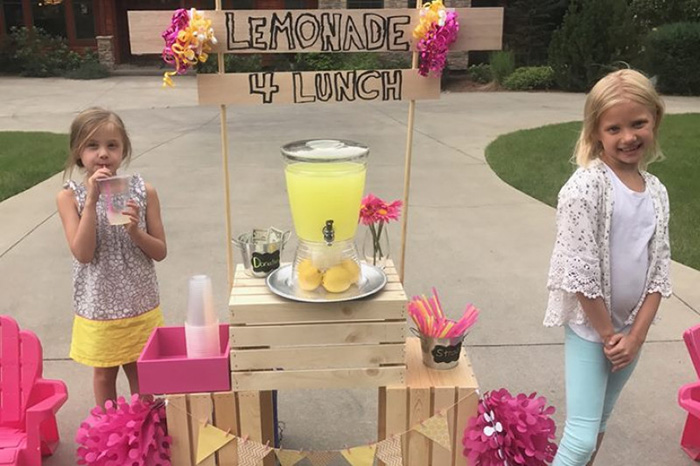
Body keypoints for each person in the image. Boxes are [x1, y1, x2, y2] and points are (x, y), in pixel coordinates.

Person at [543, 69, 672, 466]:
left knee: (599, 424)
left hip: (630, 331)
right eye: (614, 128)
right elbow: (578, 270)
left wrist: (634, 335)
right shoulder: (585, 188)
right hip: (592, 328)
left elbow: (659, 269)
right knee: (579, 439)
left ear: (655, 120)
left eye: (638, 123)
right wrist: (608, 335)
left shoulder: (656, 191)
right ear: (596, 131)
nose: (628, 136)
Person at [57, 107, 167, 407]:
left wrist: (136, 232)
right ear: (79, 152)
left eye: (112, 145)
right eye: (93, 146)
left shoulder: (144, 191)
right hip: (99, 305)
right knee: (104, 375)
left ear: (123, 150)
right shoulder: (71, 197)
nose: (103, 154)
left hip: (139, 300)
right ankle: (111, 439)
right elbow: (83, 252)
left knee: (140, 372)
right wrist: (92, 201)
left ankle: (145, 434)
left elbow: (160, 251)